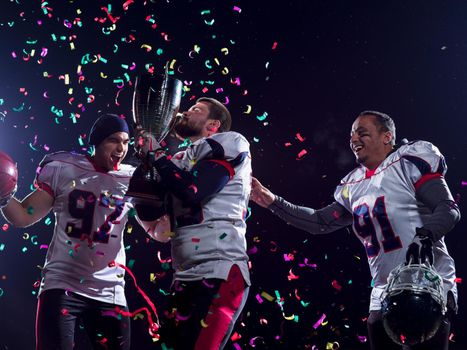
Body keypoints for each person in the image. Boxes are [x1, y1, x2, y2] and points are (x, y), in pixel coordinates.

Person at [250, 111, 460, 350]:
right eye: (351, 135)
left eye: (362, 132)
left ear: (386, 136)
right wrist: (271, 201)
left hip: (427, 283)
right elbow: (320, 222)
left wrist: (425, 235)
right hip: (384, 290)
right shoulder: (353, 185)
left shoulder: (407, 162)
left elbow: (448, 209)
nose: (354, 139)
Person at [1, 114, 134, 350]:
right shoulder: (64, 168)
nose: (121, 148)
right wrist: (3, 197)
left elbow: (159, 231)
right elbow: (24, 215)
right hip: (63, 284)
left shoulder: (132, 179)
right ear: (97, 142)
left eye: (126, 142)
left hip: (110, 291)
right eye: (114, 140)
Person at [132, 97, 252, 350]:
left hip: (219, 269)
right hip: (184, 275)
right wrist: (144, 167)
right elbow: (150, 215)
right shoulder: (177, 159)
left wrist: (156, 155)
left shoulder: (230, 141)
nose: (185, 112)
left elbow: (193, 190)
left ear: (214, 124)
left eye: (196, 110)